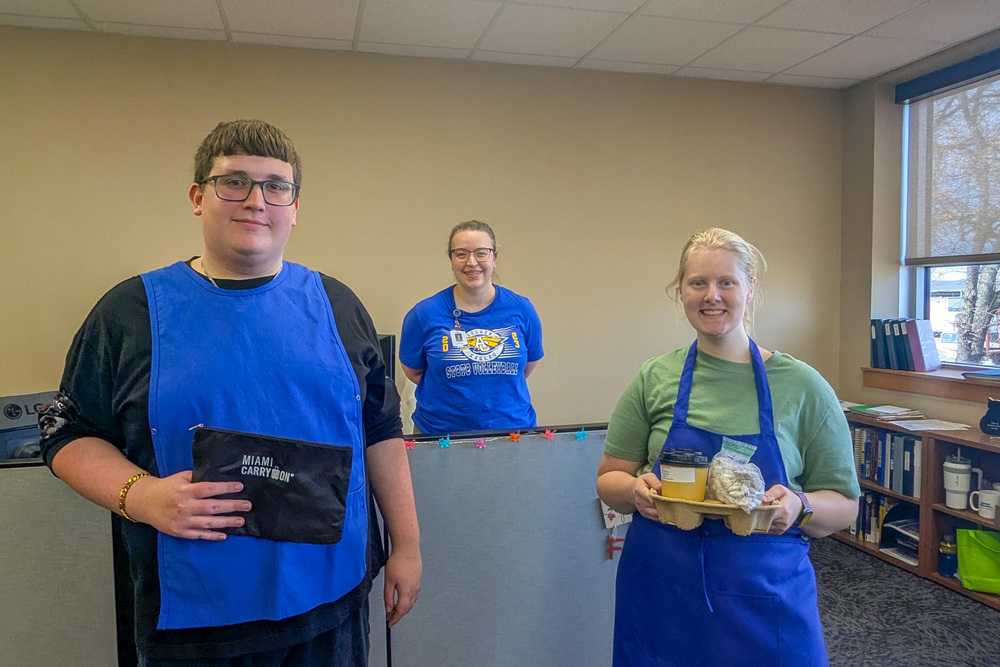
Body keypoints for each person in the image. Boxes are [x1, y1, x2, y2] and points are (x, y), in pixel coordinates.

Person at [38, 119, 421, 666]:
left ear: (294, 205)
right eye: (233, 182)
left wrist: (407, 545)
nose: (256, 201)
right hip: (197, 622)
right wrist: (142, 496)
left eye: (275, 186)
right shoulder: (131, 312)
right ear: (198, 196)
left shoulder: (338, 304)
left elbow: (380, 428)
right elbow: (64, 431)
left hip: (331, 605)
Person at [596, 227, 860, 666]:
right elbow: (609, 479)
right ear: (680, 291)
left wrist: (799, 505)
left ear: (750, 289)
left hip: (764, 594)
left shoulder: (803, 387)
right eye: (697, 282)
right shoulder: (653, 379)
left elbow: (845, 506)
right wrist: (633, 491)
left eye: (727, 282)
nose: (711, 295)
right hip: (662, 592)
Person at [399, 220, 543, 433]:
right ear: (451, 259)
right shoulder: (424, 314)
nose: (472, 262)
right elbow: (413, 371)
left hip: (512, 435)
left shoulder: (522, 309)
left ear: (494, 257)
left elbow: (525, 367)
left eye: (481, 253)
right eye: (461, 254)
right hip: (440, 437)